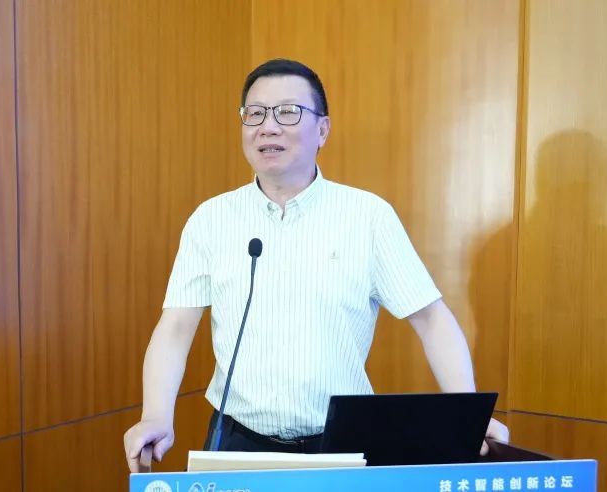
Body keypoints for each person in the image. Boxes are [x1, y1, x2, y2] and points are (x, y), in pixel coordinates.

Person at [124, 58, 509, 472]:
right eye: (255, 113)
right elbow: (176, 327)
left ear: (322, 130)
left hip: (343, 442)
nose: (268, 127)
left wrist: (470, 414)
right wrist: (156, 414)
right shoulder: (211, 219)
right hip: (238, 441)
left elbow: (431, 318)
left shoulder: (367, 216)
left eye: (288, 112)